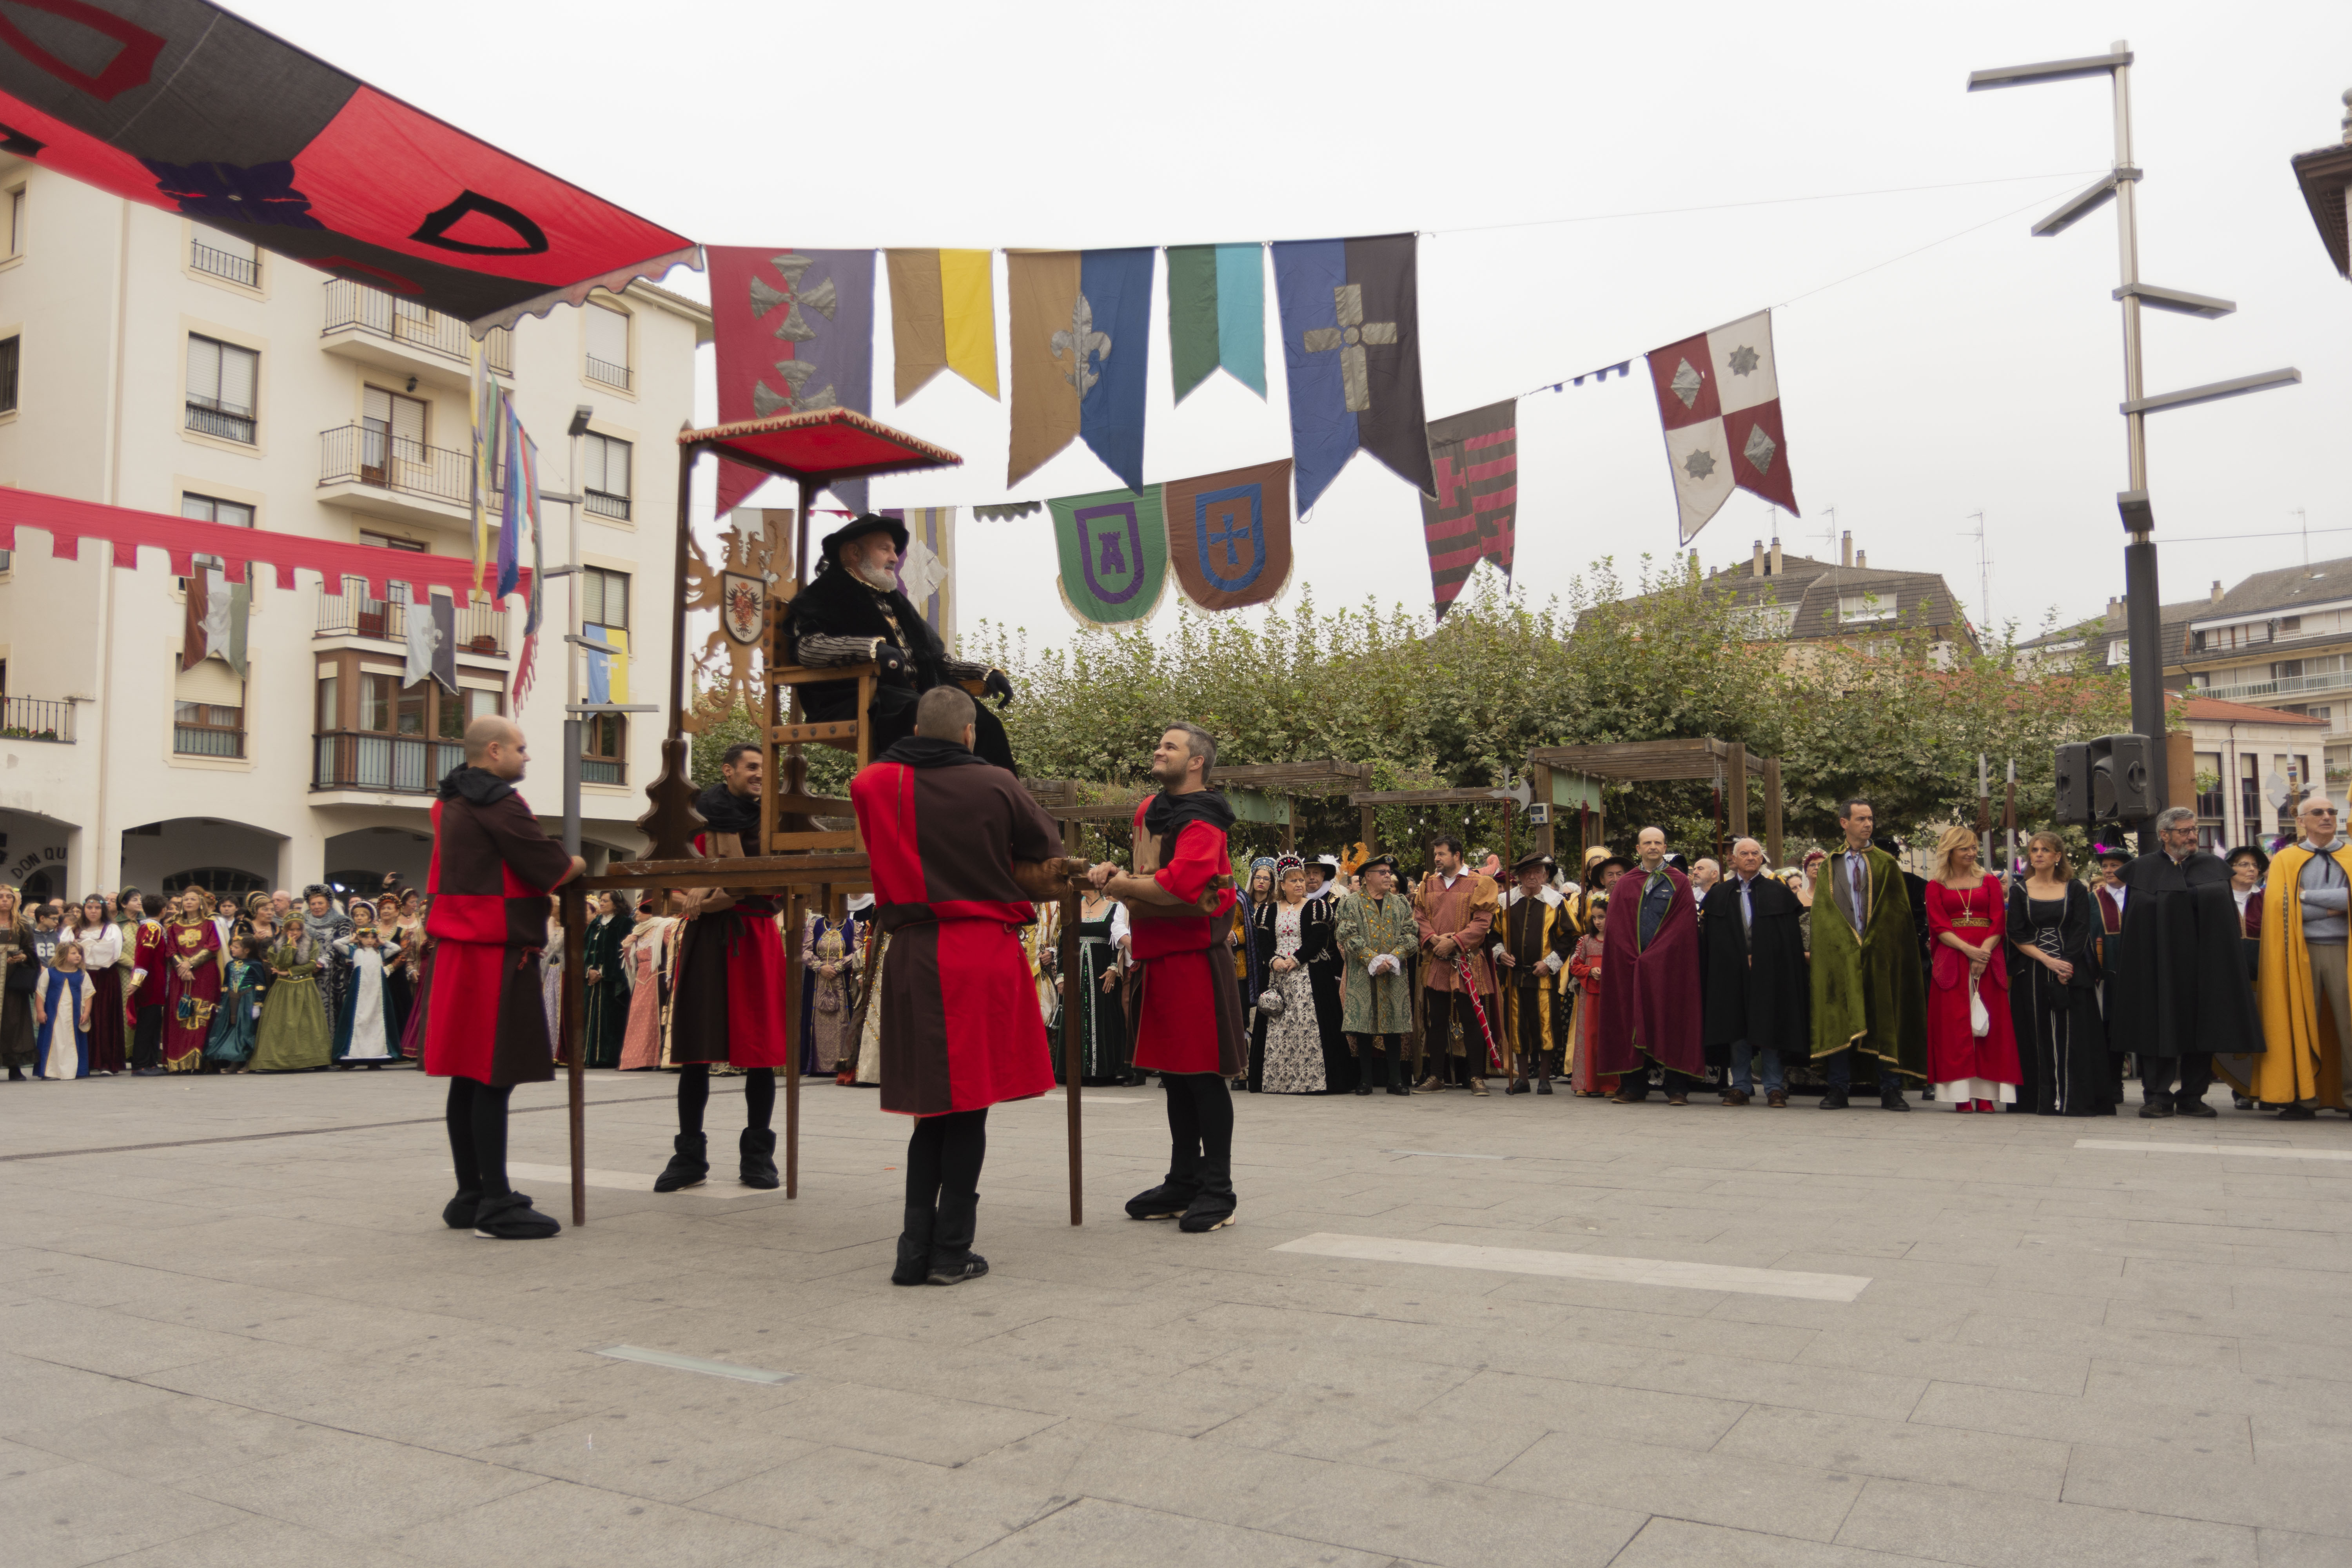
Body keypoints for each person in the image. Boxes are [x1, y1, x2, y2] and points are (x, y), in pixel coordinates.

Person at [849, 686, 1069, 1284]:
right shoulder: (997, 783)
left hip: (915, 951)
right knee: (968, 1109)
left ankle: (911, 1251)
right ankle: (951, 1251)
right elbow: (1046, 856)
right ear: (970, 733)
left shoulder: (872, 783)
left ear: (917, 729)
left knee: (932, 1112)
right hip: (979, 951)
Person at [418, 716, 584, 1239]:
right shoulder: (497, 800)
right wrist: (577, 862)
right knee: (493, 1073)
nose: (527, 757)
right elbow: (549, 865)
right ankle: (496, 1202)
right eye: (521, 748)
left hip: (457, 948)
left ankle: (470, 1193)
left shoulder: (449, 801)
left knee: (468, 1075)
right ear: (494, 751)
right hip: (494, 949)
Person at [1088, 722, 1245, 1232]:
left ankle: (1218, 1190)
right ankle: (1183, 1179)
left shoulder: (1205, 819)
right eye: (1159, 743)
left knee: (1202, 1076)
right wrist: (1119, 875)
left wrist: (1123, 886)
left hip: (1196, 957)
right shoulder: (1147, 812)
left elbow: (1179, 887)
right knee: (1176, 1079)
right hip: (1157, 956)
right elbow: (1144, 873)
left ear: (1196, 762)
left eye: (1170, 746)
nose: (1159, 750)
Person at [780, 513, 1018, 771]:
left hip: (908, 696)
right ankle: (937, 803)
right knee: (928, 717)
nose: (895, 558)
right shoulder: (823, 594)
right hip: (852, 699)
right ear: (853, 552)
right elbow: (807, 648)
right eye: (885, 549)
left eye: (894, 550)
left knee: (982, 723)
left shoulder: (894, 600)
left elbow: (934, 660)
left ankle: (994, 806)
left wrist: (984, 673)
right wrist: (870, 650)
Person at [654, 743, 789, 1193]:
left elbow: (775, 885)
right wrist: (700, 895)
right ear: (728, 769)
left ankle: (758, 1158)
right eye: (752, 767)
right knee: (696, 1050)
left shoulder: (774, 822)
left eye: (763, 769)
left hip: (754, 938)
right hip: (706, 940)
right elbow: (666, 883)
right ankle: (689, 1155)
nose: (759, 775)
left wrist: (716, 894)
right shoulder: (696, 820)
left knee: (760, 1054)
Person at [2112, 805, 2261, 1119]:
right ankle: (2157, 1096)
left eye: (2195, 830)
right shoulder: (2141, 870)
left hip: (2205, 966)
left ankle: (2193, 1095)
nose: (2193, 836)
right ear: (2164, 835)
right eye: (2185, 831)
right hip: (2157, 966)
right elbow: (2137, 922)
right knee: (2157, 1027)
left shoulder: (2213, 867)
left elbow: (2223, 921)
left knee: (2202, 1027)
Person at [1811, 799, 1926, 1110]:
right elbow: (1823, 916)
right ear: (1844, 823)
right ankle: (1838, 1088)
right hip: (1841, 956)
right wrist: (1846, 944)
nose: (1868, 824)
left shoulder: (1886, 863)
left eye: (1871, 819)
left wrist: (1875, 941)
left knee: (1883, 1016)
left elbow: (1897, 914)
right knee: (1839, 1017)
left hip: (1880, 954)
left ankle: (1890, 1089)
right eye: (1861, 819)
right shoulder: (1829, 865)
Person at [2247, 794, 2351, 1119]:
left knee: (2349, 1026)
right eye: (2318, 812)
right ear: (2301, 821)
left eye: (2331, 812)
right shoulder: (2285, 859)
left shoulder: (2350, 854)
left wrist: (2308, 898)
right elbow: (2282, 910)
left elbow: (2301, 904)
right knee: (2298, 1022)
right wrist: (2337, 908)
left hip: (2344, 951)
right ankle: (2301, 1098)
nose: (2327, 817)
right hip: (2298, 951)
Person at [1595, 827, 1704, 1104]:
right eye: (1648, 843)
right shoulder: (1626, 883)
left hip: (1669, 967)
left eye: (1658, 843)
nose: (1653, 847)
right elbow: (1617, 928)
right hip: (1631, 966)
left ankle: (1677, 1087)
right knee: (1630, 1020)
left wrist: (1657, 955)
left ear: (1665, 846)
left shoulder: (1679, 882)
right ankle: (1634, 1087)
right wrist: (1632, 956)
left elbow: (1683, 927)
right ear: (1638, 848)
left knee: (1672, 1020)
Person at [2007, 831, 2110, 1116]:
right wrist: (2048, 961)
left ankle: (2075, 1099)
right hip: (2033, 969)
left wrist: (2066, 963)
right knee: (2035, 1032)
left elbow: (2080, 928)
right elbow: (2016, 933)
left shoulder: (2074, 888)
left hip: (2071, 969)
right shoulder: (2020, 890)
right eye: (2034, 850)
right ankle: (2039, 1100)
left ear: (2057, 856)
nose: (2038, 854)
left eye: (2045, 850)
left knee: (2074, 1034)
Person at [1701, 837, 1810, 1107]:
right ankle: (1741, 1086)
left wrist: (1761, 958)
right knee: (1736, 1026)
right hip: (1731, 973)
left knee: (1770, 1023)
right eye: (1745, 854)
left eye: (1755, 853)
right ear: (1734, 860)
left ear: (1762, 859)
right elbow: (1713, 941)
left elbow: (1788, 939)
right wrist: (1739, 958)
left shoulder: (1778, 892)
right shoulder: (1720, 894)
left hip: (1771, 972)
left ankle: (1774, 1086)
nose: (1750, 857)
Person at [1924, 826, 2022, 1114]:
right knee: (1955, 1028)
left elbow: (1998, 921)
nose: (1971, 853)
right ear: (1950, 851)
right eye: (1964, 848)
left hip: (1988, 955)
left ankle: (1987, 1095)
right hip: (1952, 958)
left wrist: (1985, 953)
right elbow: (1939, 926)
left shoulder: (1990, 881)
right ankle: (1962, 1095)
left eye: (1973, 848)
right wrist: (1968, 951)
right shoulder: (1936, 885)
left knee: (1992, 1027)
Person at [1412, 835, 1501, 1094]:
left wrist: (1456, 942)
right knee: (1436, 1019)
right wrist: (1433, 940)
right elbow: (1419, 917)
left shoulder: (1481, 883)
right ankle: (1436, 1076)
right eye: (1436, 854)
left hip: (1467, 961)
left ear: (1458, 854)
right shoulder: (1428, 884)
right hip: (1437, 959)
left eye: (1442, 854)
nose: (1437, 859)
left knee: (1472, 1019)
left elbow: (1483, 922)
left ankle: (1476, 1077)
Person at [1335, 853, 1418, 1096]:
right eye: (1382, 872)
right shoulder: (1351, 903)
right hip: (1363, 971)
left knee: (1393, 1025)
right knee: (1364, 1025)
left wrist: (1394, 957)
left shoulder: (1401, 903)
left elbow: (1411, 933)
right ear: (1367, 877)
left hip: (1394, 971)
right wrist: (1371, 957)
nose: (1388, 876)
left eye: (1388, 872)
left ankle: (1395, 1080)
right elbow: (1346, 934)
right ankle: (1365, 1080)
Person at [1249, 856, 1331, 1094]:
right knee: (1277, 1025)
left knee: (1308, 1025)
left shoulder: (1317, 907)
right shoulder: (1267, 911)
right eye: (1293, 880)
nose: (1299, 884)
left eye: (1302, 880)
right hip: (1278, 976)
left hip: (1310, 973)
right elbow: (1263, 942)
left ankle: (1313, 1081)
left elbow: (1318, 939)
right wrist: (1274, 960)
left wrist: (1295, 960)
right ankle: (1276, 1081)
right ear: (1282, 885)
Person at [1492, 850, 1569, 1094]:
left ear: (1546, 875)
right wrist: (1500, 953)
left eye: (1537, 872)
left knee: (1545, 1025)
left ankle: (1545, 1078)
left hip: (1543, 977)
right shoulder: (1505, 902)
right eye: (1526, 873)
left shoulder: (1556, 902)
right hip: (1514, 976)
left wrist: (1550, 963)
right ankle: (1523, 1078)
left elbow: (1569, 937)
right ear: (1519, 877)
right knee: (1517, 1026)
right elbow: (1493, 934)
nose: (1532, 877)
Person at [2212, 845, 2269, 1106]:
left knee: (2267, 1034)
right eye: (2244, 864)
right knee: (2236, 1037)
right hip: (2228, 977)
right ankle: (2242, 1091)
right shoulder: (2217, 898)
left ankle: (2269, 1090)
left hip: (2265, 977)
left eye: (2255, 866)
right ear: (2230, 868)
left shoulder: (2267, 898)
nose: (2251, 870)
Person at [1057, 886, 1132, 1085]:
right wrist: (1062, 975)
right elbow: (1063, 942)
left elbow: (1114, 940)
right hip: (1076, 971)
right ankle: (1074, 1071)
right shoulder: (1073, 907)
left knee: (1103, 1015)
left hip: (1102, 972)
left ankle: (1102, 1071)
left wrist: (1113, 967)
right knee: (1075, 1015)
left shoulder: (1113, 908)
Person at [249, 912, 332, 1073]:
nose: (294, 933)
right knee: (281, 1024)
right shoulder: (276, 947)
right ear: (284, 930)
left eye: (298, 929)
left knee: (310, 1024)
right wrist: (290, 948)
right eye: (291, 929)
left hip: (305, 987)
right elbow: (280, 965)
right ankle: (276, 1061)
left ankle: (318, 1060)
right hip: (283, 989)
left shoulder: (311, 943)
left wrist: (289, 972)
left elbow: (312, 965)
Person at [160, 888, 223, 1073]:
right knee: (180, 1014)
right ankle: (179, 1061)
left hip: (204, 974)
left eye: (193, 899)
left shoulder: (210, 924)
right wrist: (182, 967)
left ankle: (202, 1062)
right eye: (186, 899)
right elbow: (170, 950)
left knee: (202, 1015)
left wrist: (191, 964)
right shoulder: (173, 925)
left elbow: (213, 946)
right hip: (181, 975)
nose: (188, 902)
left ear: (201, 902)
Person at [620, 892, 681, 1073]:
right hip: (641, 980)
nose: (636, 912)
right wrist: (627, 946)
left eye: (641, 907)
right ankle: (635, 1060)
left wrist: (670, 977)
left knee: (654, 1019)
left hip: (657, 979)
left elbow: (673, 951)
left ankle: (654, 1058)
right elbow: (634, 964)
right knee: (638, 1019)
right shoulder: (639, 932)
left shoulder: (664, 926)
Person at [67, 895, 125, 1076]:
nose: (93, 911)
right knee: (80, 1015)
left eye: (97, 908)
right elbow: (66, 953)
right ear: (84, 909)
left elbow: (110, 954)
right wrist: (93, 947)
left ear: (103, 910)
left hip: (104, 976)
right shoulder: (73, 930)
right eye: (90, 908)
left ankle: (106, 1061)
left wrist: (84, 948)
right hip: (79, 976)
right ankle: (83, 1061)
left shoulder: (112, 929)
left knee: (104, 1016)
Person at [334, 918, 400, 1067]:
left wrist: (383, 942)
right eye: (366, 937)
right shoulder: (353, 951)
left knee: (376, 1020)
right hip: (359, 993)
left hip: (377, 993)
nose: (370, 940)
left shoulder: (381, 952)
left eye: (373, 937)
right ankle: (351, 1055)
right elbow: (337, 944)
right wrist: (351, 939)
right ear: (360, 938)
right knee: (358, 1019)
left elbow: (396, 949)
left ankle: (375, 1057)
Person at [580, 889, 630, 1069]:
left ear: (616, 904)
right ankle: (590, 1057)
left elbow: (625, 951)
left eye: (605, 901)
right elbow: (584, 949)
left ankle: (608, 1057)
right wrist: (588, 971)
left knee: (610, 1019)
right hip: (592, 980)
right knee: (589, 1016)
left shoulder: (624, 923)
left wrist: (604, 971)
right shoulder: (595, 924)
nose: (601, 904)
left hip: (611, 982)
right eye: (601, 901)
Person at [34, 938, 92, 1080]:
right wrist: (41, 1012)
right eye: (73, 953)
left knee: (71, 1041)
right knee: (53, 1041)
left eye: (79, 953)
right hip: (53, 1017)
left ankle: (74, 1070)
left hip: (74, 1017)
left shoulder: (82, 974)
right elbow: (40, 994)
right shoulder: (49, 973)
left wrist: (86, 1013)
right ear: (62, 955)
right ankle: (50, 1072)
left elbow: (88, 995)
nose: (78, 956)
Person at [206, 934, 263, 1069]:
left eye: (236, 947)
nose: (232, 949)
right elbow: (226, 985)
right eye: (232, 946)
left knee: (246, 1030)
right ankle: (235, 1061)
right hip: (231, 1001)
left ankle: (249, 1062)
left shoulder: (256, 965)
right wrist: (222, 1003)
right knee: (232, 1030)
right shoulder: (230, 965)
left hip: (247, 1000)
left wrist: (258, 1004)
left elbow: (260, 984)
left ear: (247, 950)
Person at [0, 886, 36, 1081]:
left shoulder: (22, 925)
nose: (5, 900)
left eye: (9, 897)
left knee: (14, 1021)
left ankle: (14, 1067)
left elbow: (31, 952)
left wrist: (22, 957)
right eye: (1, 897)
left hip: (13, 981)